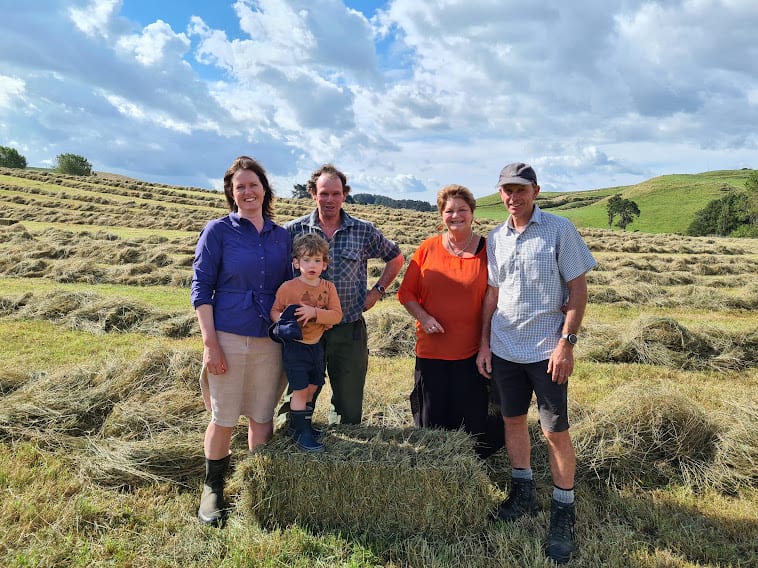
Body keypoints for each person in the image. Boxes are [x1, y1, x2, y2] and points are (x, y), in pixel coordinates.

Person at [476, 163, 596, 564]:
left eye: (520, 189)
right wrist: (484, 343)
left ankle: (564, 511)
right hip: (505, 348)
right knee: (512, 421)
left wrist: (566, 344)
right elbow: (493, 296)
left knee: (554, 431)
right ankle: (522, 491)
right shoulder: (496, 237)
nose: (513, 197)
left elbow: (578, 291)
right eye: (506, 190)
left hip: (546, 351)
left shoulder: (560, 229)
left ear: (536, 191)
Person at [191, 155, 292, 527]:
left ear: (265, 189)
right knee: (223, 417)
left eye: (253, 184)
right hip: (228, 337)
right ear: (231, 194)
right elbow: (201, 288)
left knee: (262, 417)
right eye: (240, 187)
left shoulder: (282, 236)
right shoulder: (217, 232)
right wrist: (210, 343)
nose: (248, 192)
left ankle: (257, 485)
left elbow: (288, 288)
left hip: (270, 341)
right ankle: (213, 489)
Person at [284, 164, 404, 424]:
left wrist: (378, 290)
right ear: (313, 194)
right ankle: (295, 439)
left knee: (348, 406)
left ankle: (342, 446)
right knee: (298, 394)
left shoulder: (362, 230)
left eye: (335, 193)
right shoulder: (293, 231)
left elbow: (396, 258)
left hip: (347, 328)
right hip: (304, 329)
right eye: (323, 193)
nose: (329, 199)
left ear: (344, 195)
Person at [397, 184, 496, 458]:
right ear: (441, 215)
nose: (456, 215)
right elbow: (406, 294)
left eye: (462, 210)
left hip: (472, 353)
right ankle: (435, 478)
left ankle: (470, 478)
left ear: (473, 213)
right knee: (432, 424)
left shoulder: (488, 250)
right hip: (432, 353)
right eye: (449, 210)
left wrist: (486, 344)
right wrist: (424, 317)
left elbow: (495, 297)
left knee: (472, 425)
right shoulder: (427, 249)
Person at [270, 233, 342, 452]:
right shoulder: (288, 288)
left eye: (317, 260)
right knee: (300, 391)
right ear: (296, 263)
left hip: (316, 345)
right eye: (307, 260)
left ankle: (300, 424)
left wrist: (315, 313)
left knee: (314, 386)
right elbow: (275, 310)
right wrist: (282, 324)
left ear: (324, 264)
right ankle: (302, 433)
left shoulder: (328, 288)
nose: (312, 265)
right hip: (295, 347)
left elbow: (337, 315)